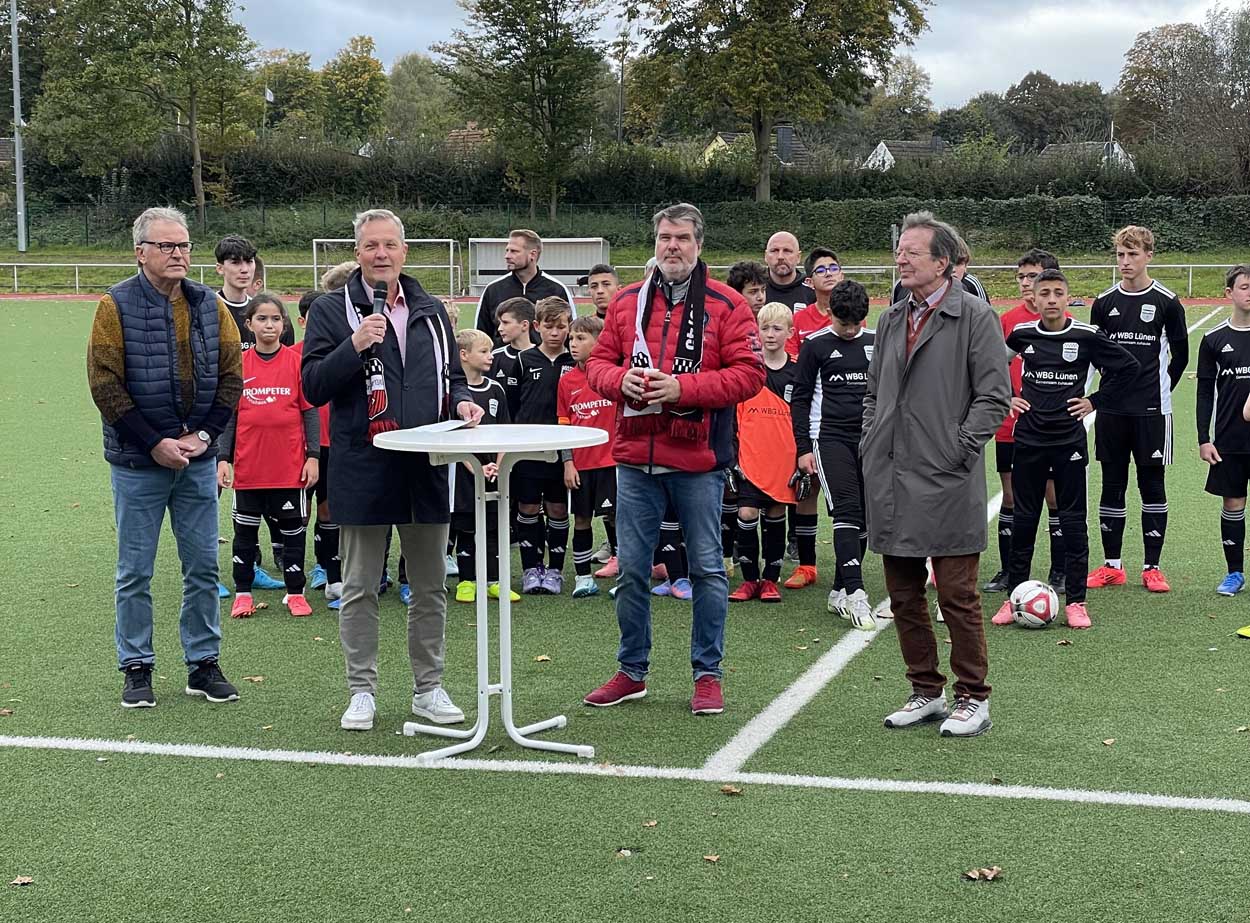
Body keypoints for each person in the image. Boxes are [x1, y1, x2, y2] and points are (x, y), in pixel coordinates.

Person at [301, 208, 482, 733]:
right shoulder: (335, 312)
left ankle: (429, 688)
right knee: (359, 585)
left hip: (426, 464)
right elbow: (313, 387)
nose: (381, 254)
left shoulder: (431, 310)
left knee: (429, 587)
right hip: (364, 463)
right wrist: (354, 347)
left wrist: (465, 401)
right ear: (357, 253)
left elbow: (450, 377)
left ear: (405, 251)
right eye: (371, 246)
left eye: (390, 245)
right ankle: (362, 691)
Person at [583, 203, 765, 716]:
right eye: (665, 237)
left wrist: (682, 386)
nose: (672, 247)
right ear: (655, 242)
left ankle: (708, 675)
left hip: (699, 459)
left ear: (699, 244)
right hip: (635, 456)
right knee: (633, 571)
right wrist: (620, 380)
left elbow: (749, 374)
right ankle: (631, 671)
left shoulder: (727, 305)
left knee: (707, 570)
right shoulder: (624, 303)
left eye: (682, 238)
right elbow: (597, 362)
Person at [87, 206, 244, 708]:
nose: (178, 253)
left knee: (202, 566)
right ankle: (136, 668)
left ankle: (203, 664)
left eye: (183, 245)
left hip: (197, 461)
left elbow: (231, 377)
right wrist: (154, 442)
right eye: (166, 246)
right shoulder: (115, 305)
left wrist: (205, 436)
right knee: (135, 571)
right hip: (138, 464)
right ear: (141, 252)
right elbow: (104, 383)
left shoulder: (209, 304)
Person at [864, 210, 1010, 738]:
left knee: (956, 595)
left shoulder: (974, 316)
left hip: (946, 476)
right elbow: (874, 394)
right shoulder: (889, 318)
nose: (900, 258)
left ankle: (973, 697)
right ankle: (925, 690)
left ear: (942, 263)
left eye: (912, 252)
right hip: (892, 474)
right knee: (902, 593)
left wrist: (958, 449)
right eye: (899, 250)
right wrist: (870, 440)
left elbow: (994, 397)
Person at [992, 270, 1137, 630]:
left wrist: (1095, 401)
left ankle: (1076, 602)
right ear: (1035, 299)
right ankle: (1014, 599)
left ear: (1067, 297)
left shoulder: (1086, 336)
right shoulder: (1023, 334)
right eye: (1045, 293)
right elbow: (988, 365)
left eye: (1058, 293)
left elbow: (1129, 369)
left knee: (1073, 522)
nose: (1052, 299)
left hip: (1068, 442)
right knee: (1025, 520)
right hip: (1028, 439)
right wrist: (1006, 396)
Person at [1087, 225, 1189, 593]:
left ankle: (1152, 567)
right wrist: (1113, 387)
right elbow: (1096, 353)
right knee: (1112, 484)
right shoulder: (1104, 302)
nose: (1125, 262)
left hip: (1151, 411)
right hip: (1112, 410)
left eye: (1133, 254)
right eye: (1120, 255)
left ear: (1149, 255)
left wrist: (1158, 390)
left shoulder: (1167, 302)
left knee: (1151, 484)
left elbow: (1180, 357)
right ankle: (1112, 565)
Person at [217, 293, 320, 619]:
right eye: (262, 318)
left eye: (276, 319)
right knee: (244, 536)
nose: (269, 325)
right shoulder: (240, 366)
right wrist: (224, 458)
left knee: (293, 535)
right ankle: (243, 593)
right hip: (249, 470)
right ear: (249, 324)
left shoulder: (296, 363)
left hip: (289, 468)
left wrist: (313, 456)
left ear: (284, 324)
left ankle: (294, 593)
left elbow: (310, 413)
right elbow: (230, 416)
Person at [792, 279, 876, 629]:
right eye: (844, 324)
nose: (850, 330)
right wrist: (803, 448)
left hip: (870, 441)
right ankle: (856, 594)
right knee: (846, 509)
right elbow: (799, 398)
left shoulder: (875, 344)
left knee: (867, 518)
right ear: (832, 315)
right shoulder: (815, 346)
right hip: (829, 439)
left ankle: (840, 589)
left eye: (855, 324)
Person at [983, 249, 1067, 595]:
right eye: (1021, 277)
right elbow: (992, 368)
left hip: (1049, 425)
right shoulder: (1008, 321)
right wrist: (1006, 399)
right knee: (1011, 495)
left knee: (1053, 496)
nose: (1025, 284)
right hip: (1011, 425)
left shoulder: (1064, 326)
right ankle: (1008, 571)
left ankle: (1060, 571)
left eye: (1032, 276)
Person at [216, 234, 290, 591]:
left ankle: (260, 563)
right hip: (214, 419)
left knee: (267, 491)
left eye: (247, 262)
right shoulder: (208, 307)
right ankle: (201, 575)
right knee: (206, 498)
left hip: (260, 422)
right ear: (221, 268)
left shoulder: (266, 311)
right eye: (234, 262)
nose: (243, 268)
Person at [728, 302, 798, 604]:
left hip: (781, 460)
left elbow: (805, 417)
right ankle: (748, 579)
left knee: (775, 514)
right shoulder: (748, 371)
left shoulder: (798, 372)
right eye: (765, 328)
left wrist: (801, 457)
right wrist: (732, 459)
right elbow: (732, 419)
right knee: (745, 513)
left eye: (777, 328)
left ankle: (770, 580)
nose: (770, 334)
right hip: (749, 459)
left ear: (790, 333)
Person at [512, 296, 575, 595]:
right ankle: (530, 568)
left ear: (569, 327)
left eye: (561, 327)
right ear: (536, 326)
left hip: (560, 450)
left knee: (558, 508)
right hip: (526, 449)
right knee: (527, 506)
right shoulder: (523, 360)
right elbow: (512, 408)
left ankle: (555, 571)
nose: (555, 333)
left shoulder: (574, 362)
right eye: (549, 326)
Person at [449, 328, 516, 604]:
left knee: (492, 526)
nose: (491, 356)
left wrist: (497, 466)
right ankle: (466, 581)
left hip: (492, 471)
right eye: (484, 351)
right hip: (464, 470)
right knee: (466, 526)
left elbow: (505, 431)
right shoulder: (451, 394)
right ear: (463, 355)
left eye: (490, 351)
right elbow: (450, 437)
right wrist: (473, 466)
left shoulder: (495, 389)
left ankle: (494, 581)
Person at [1198, 264, 1250, 599]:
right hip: (1230, 439)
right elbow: (1204, 392)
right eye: (1244, 287)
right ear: (1229, 293)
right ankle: (1234, 573)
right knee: (1233, 503)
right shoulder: (1214, 339)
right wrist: (1204, 438)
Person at [558, 315, 619, 598]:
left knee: (616, 518)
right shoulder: (567, 381)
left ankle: (625, 575)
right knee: (581, 519)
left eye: (580, 338)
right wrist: (568, 462)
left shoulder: (613, 375)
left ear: (599, 342)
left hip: (612, 463)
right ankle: (583, 578)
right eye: (571, 338)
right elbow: (564, 427)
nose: (573, 344)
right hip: (581, 466)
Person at [721, 260, 771, 574]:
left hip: (762, 421)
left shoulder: (768, 324)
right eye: (753, 291)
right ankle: (727, 552)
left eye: (763, 290)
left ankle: (763, 554)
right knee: (730, 485)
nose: (760, 297)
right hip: (730, 419)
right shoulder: (727, 322)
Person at [296, 290, 342, 608]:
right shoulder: (292, 356)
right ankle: (301, 572)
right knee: (301, 511)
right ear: (303, 323)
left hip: (335, 444)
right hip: (302, 449)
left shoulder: (342, 355)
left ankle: (328, 568)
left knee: (328, 510)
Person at [474, 229, 576, 343]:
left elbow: (571, 333)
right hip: (502, 360)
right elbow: (481, 336)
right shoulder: (493, 289)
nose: (507, 256)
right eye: (507, 251)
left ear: (532, 254)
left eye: (514, 251)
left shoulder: (557, 289)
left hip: (542, 360)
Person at [786, 248, 846, 357]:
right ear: (809, 282)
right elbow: (791, 360)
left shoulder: (853, 317)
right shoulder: (797, 319)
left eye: (833, 268)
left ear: (841, 276)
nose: (828, 274)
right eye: (821, 270)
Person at [890, 237, 986, 305]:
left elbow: (986, 322)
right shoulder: (901, 286)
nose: (952, 270)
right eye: (949, 264)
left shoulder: (972, 285)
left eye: (958, 263)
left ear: (966, 265)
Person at [491, 297, 536, 398]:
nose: (500, 328)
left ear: (524, 325)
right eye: (500, 323)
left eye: (505, 323)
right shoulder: (494, 357)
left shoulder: (541, 357)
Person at [764, 231, 817, 310]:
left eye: (787, 251)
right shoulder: (755, 288)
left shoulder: (813, 290)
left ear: (798, 257)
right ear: (766, 256)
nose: (780, 257)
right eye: (774, 250)